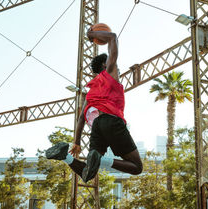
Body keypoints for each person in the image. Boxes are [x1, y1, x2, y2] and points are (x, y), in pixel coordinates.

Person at [45, 24, 143, 183]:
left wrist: (76, 142)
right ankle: (101, 159)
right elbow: (113, 37)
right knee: (137, 167)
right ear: (105, 65)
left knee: (87, 173)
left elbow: (81, 118)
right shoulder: (109, 74)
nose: (118, 69)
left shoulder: (90, 92)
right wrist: (92, 35)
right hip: (112, 121)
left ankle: (65, 156)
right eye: (114, 65)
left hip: (97, 126)